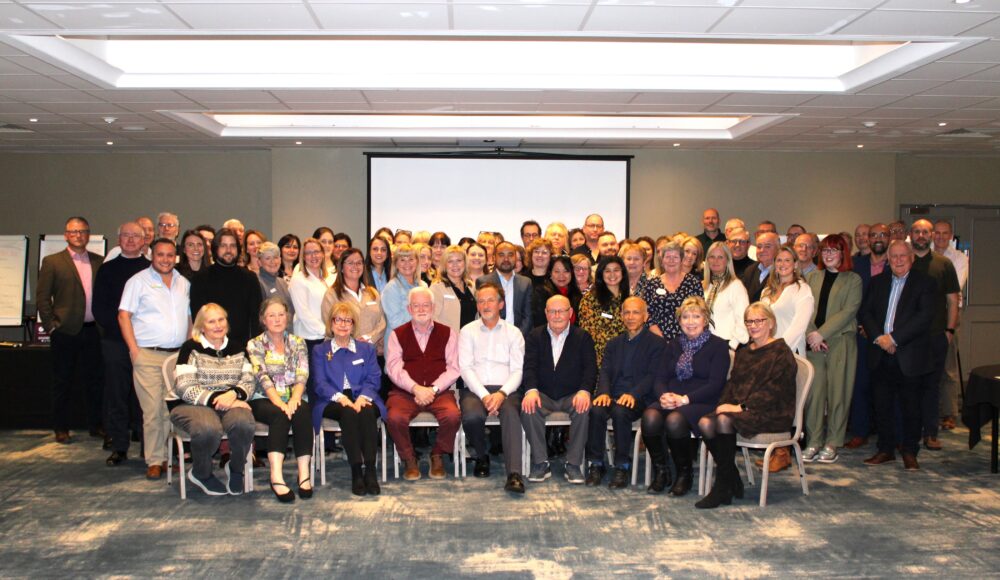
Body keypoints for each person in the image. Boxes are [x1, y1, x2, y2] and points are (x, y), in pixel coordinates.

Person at [695, 302, 797, 509]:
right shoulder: (744, 352)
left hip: (771, 412)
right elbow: (733, 384)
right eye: (749, 321)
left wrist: (740, 408)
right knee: (705, 422)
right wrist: (724, 404)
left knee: (724, 420)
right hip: (742, 410)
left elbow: (774, 392)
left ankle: (722, 487)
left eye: (759, 320)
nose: (753, 325)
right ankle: (731, 477)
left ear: (771, 323)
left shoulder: (781, 352)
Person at [118, 237, 191, 478]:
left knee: (171, 408)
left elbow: (189, 319)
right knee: (152, 409)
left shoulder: (183, 283)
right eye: (161, 254)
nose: (166, 259)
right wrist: (134, 350)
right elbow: (123, 316)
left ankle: (170, 456)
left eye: (170, 255)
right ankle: (155, 460)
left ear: (176, 257)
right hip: (148, 354)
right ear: (151, 255)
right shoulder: (137, 282)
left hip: (176, 356)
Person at [860, 240, 936, 471]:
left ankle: (910, 451)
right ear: (888, 259)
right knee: (882, 406)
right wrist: (880, 339)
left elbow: (924, 318)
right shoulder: (877, 282)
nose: (899, 260)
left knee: (911, 408)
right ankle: (886, 449)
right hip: (881, 354)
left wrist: (893, 338)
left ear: (911, 258)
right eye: (894, 256)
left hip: (910, 356)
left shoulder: (926, 283)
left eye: (903, 256)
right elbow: (866, 312)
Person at [642, 296, 729, 496]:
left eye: (696, 316)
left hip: (701, 400)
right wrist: (664, 396)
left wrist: (684, 399)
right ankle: (662, 471)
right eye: (685, 317)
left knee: (674, 420)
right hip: (672, 396)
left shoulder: (718, 346)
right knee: (650, 416)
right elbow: (660, 377)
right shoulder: (673, 345)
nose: (690, 322)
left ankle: (684, 473)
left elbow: (716, 385)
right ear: (679, 321)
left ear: (705, 320)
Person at [169, 303, 256, 496]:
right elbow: (184, 386)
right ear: (201, 326)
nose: (217, 325)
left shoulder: (238, 347)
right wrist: (221, 399)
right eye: (211, 321)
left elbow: (249, 381)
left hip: (231, 400)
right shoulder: (190, 348)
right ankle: (201, 473)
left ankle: (236, 469)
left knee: (244, 422)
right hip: (191, 404)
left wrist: (233, 395)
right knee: (208, 428)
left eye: (221, 319)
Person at [37, 216, 105, 445]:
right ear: (66, 235)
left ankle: (96, 425)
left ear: (88, 234)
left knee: (95, 381)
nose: (79, 235)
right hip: (65, 332)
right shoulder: (53, 262)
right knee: (62, 382)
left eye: (83, 231)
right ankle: (61, 427)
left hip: (92, 331)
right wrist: (51, 326)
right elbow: (43, 298)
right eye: (74, 231)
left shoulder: (99, 261)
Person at [587, 296, 666, 489]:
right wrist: (603, 392)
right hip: (613, 394)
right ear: (621, 316)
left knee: (620, 412)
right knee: (596, 410)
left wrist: (633, 394)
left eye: (636, 312)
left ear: (646, 316)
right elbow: (604, 371)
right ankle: (596, 463)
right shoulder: (614, 344)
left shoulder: (656, 343)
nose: (631, 317)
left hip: (640, 398)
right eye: (627, 312)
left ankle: (622, 465)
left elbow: (652, 376)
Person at [385, 287, 462, 481]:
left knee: (453, 416)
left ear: (433, 307)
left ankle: (438, 454)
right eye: (416, 305)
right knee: (393, 417)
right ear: (409, 309)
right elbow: (393, 368)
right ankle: (409, 458)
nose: (421, 309)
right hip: (405, 392)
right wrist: (415, 388)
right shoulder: (397, 334)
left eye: (425, 305)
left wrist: (433, 389)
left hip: (440, 392)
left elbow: (454, 368)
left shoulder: (448, 333)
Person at [311, 301, 385, 496]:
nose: (343, 324)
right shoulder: (320, 350)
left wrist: (363, 397)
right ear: (331, 323)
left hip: (362, 394)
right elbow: (319, 383)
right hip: (331, 399)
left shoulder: (366, 349)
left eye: (348, 320)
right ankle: (356, 471)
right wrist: (340, 398)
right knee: (348, 412)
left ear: (353, 324)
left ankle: (370, 471)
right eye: (338, 320)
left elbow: (374, 377)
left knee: (367, 411)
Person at [521, 295, 596, 484]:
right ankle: (540, 462)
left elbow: (590, 369)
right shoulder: (535, 336)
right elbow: (529, 367)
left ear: (570, 313)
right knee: (528, 407)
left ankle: (573, 464)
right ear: (546, 313)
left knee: (584, 407)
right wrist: (531, 390)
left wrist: (584, 391)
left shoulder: (582, 337)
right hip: (543, 395)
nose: (556, 315)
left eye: (561, 311)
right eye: (552, 311)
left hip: (572, 395)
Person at [458, 283, 526, 493]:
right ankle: (481, 455)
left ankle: (514, 473)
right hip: (475, 388)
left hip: (507, 389)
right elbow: (465, 368)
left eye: (490, 300)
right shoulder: (467, 331)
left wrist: (502, 394)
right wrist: (486, 396)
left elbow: (517, 371)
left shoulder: (514, 333)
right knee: (471, 416)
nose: (485, 305)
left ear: (501, 304)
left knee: (512, 414)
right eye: (481, 301)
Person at [93, 221, 149, 465]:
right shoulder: (107, 270)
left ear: (143, 240)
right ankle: (119, 445)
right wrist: (125, 332)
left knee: (144, 396)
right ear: (119, 240)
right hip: (115, 341)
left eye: (135, 236)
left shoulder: (151, 269)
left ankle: (148, 446)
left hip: (145, 341)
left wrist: (138, 334)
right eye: (125, 235)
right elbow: (100, 309)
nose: (130, 240)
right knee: (116, 393)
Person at [803, 234, 862, 464]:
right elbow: (806, 308)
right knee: (815, 395)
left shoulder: (853, 279)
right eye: (825, 250)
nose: (828, 255)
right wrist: (812, 334)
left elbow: (849, 311)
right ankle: (814, 441)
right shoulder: (813, 278)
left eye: (833, 251)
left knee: (839, 393)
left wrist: (821, 333)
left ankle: (833, 442)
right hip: (815, 344)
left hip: (840, 342)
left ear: (843, 254)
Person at [247, 297, 313, 502]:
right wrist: (280, 403)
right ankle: (276, 476)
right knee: (279, 416)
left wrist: (294, 399)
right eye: (271, 315)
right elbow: (262, 376)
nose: (277, 319)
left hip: (293, 395)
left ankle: (304, 474)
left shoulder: (298, 342)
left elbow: (302, 373)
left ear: (288, 317)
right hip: (263, 398)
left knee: (303, 411)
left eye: (281, 314)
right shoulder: (255, 344)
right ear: (263, 320)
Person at [909, 219, 960, 451]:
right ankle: (910, 433)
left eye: (925, 232)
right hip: (907, 338)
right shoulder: (902, 261)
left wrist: (949, 330)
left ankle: (930, 433)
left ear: (931, 236)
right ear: (911, 234)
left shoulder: (944, 264)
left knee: (931, 387)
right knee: (908, 388)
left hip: (935, 336)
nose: (921, 235)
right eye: (917, 231)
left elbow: (952, 300)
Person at [844, 223, 890, 450]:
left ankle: (888, 434)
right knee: (860, 385)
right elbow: (852, 299)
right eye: (874, 235)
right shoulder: (856, 264)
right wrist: (864, 326)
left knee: (887, 388)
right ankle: (860, 431)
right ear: (868, 240)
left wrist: (879, 331)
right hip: (861, 335)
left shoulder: (897, 263)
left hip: (890, 337)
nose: (878, 238)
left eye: (883, 234)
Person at [189, 228, 263, 349]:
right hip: (210, 347)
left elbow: (256, 318)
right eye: (223, 245)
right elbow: (198, 318)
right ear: (215, 248)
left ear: (238, 249)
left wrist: (253, 346)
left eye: (232, 246)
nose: (228, 250)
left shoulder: (250, 278)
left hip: (242, 348)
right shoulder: (200, 279)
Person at [932, 219, 968, 431]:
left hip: (949, 313)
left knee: (948, 365)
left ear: (951, 235)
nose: (940, 237)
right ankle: (931, 409)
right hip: (928, 314)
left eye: (945, 233)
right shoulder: (923, 254)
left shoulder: (959, 258)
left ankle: (949, 413)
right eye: (937, 233)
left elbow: (953, 287)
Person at [639, 240, 704, 341]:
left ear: (682, 260)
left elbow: (700, 312)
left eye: (675, 257)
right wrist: (660, 338)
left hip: (687, 340)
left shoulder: (693, 283)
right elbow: (646, 313)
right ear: (662, 260)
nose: (671, 260)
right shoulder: (651, 284)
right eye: (668, 257)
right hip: (656, 341)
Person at [289, 237, 335, 375]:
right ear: (303, 257)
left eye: (316, 251)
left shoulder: (324, 279)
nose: (313, 256)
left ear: (322, 253)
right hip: (309, 340)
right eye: (308, 253)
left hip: (325, 338)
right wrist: (326, 331)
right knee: (313, 383)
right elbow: (303, 314)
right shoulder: (299, 279)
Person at [760, 245, 814, 358]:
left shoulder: (802, 289)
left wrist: (778, 350)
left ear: (795, 264)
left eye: (787, 260)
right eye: (779, 260)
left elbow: (799, 326)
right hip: (766, 351)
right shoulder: (766, 291)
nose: (782, 264)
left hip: (790, 352)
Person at [578, 256, 627, 368]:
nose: (612, 274)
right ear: (601, 274)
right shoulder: (590, 299)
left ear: (623, 272)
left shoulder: (629, 298)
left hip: (626, 357)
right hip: (599, 359)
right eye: (607, 271)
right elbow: (588, 332)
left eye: (616, 270)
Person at [476, 241, 533, 336]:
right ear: (494, 258)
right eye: (501, 255)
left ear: (515, 257)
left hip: (519, 337)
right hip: (491, 336)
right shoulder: (483, 281)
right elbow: (483, 313)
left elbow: (528, 316)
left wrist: (518, 336)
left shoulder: (525, 282)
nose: (506, 259)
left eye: (510, 255)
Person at [703, 241, 750, 350]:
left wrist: (732, 346)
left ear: (728, 260)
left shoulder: (736, 286)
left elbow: (744, 319)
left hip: (726, 344)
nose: (715, 261)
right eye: (712, 257)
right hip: (705, 343)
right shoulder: (704, 286)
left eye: (720, 257)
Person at [430, 245, 477, 334]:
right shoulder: (436, 288)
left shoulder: (471, 287)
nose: (455, 265)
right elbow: (432, 319)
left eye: (459, 260)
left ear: (465, 263)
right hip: (447, 341)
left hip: (470, 341)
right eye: (450, 261)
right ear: (444, 265)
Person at [382, 243, 427, 333]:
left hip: (421, 338)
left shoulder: (423, 286)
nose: (407, 263)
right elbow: (395, 323)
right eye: (402, 260)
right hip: (399, 340)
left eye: (411, 259)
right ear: (396, 264)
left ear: (417, 262)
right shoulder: (391, 288)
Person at [533, 255, 582, 327]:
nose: (561, 275)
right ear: (550, 273)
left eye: (566, 271)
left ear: (571, 273)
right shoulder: (542, 293)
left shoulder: (577, 294)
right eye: (557, 271)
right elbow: (540, 322)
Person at [256, 242, 294, 321]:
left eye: (275, 257)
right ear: (259, 262)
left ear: (280, 260)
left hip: (288, 331)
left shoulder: (282, 282)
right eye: (268, 258)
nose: (272, 261)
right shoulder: (257, 283)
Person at [742, 231, 779, 303]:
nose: (762, 250)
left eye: (767, 246)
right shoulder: (750, 271)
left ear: (778, 249)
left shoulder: (782, 272)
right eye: (759, 247)